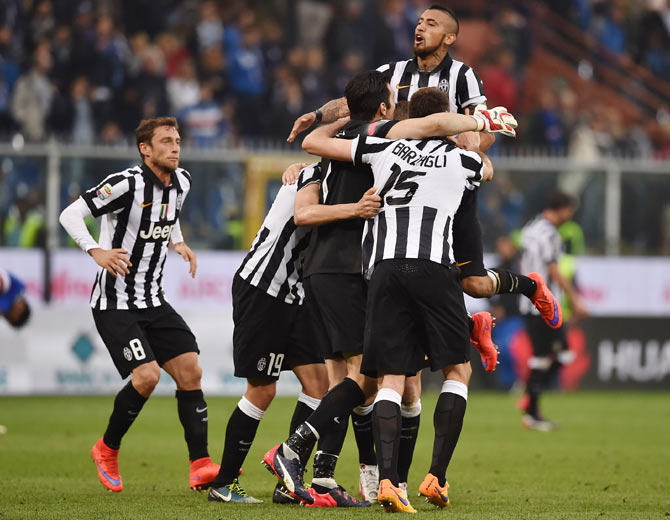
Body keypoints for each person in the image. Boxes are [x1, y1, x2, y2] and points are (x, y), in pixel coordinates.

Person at [263, 76, 516, 511]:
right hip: (431, 269)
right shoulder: (463, 161)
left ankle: (382, 480)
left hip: (381, 271)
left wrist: (336, 118)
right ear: (445, 122)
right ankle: (434, 476)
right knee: (456, 371)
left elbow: (316, 144)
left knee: (389, 378)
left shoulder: (382, 145)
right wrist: (477, 127)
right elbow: (485, 167)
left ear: (407, 116)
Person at [59, 116, 219, 492]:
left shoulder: (183, 181)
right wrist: (95, 250)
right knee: (147, 376)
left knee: (191, 371)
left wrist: (177, 241)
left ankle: (200, 465)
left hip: (153, 299)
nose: (175, 147)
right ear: (145, 149)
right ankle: (106, 449)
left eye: (177, 140)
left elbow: (170, 214)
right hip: (114, 301)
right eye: (165, 141)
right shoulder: (124, 184)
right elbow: (70, 214)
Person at [207, 161, 371, 505]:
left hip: (294, 294)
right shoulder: (315, 174)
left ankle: (288, 480)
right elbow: (304, 215)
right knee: (262, 390)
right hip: (264, 288)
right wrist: (355, 209)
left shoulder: (331, 176)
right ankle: (223, 484)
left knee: (318, 383)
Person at [518, 191, 588, 431]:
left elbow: (523, 263)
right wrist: (575, 300)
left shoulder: (530, 228)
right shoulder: (549, 234)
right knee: (554, 356)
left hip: (528, 303)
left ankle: (530, 400)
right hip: (544, 305)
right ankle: (531, 409)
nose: (570, 216)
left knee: (549, 356)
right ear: (564, 209)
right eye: (570, 211)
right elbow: (555, 271)